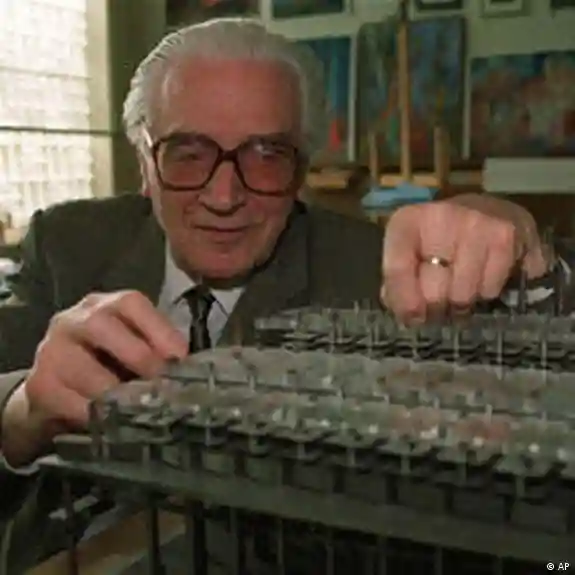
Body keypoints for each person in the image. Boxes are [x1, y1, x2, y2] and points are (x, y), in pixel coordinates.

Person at [0, 17, 570, 574]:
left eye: (266, 156)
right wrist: (22, 413)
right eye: (188, 154)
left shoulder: (375, 273)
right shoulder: (66, 244)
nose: (224, 196)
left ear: (302, 171)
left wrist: (524, 263)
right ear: (144, 164)